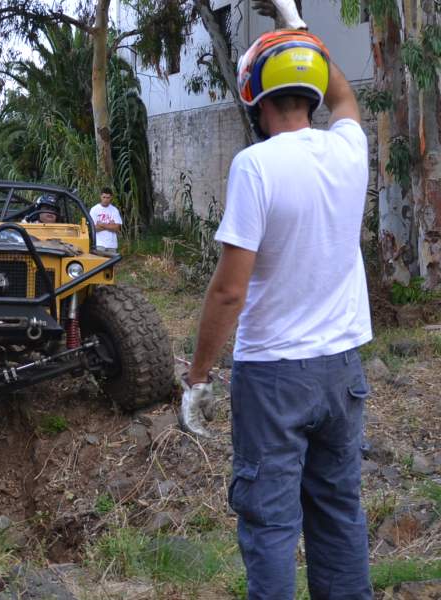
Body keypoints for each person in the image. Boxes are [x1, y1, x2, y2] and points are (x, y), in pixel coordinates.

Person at [179, 28, 372, 600]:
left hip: (273, 378)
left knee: (270, 524)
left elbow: (228, 293)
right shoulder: (348, 150)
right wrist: (311, 46)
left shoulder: (255, 166)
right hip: (341, 370)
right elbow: (345, 99)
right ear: (310, 90)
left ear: (256, 101)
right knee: (338, 512)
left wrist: (198, 376)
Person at [89, 187, 121, 254]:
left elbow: (117, 227)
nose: (105, 200)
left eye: (108, 197)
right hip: (99, 244)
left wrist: (101, 224)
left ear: (111, 197)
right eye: (104, 197)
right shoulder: (94, 209)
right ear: (100, 196)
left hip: (112, 245)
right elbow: (93, 228)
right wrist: (110, 225)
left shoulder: (114, 210)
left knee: (111, 264)